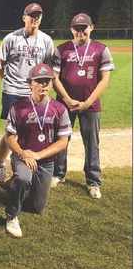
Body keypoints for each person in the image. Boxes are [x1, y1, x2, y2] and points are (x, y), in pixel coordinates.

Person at [4, 64, 72, 238]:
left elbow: (63, 141)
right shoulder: (18, 107)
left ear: (51, 84)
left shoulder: (59, 108)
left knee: (37, 208)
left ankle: (17, 187)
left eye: (46, 81)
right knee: (23, 178)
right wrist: (23, 154)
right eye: (38, 81)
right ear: (30, 83)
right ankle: (12, 215)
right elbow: (9, 137)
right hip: (22, 157)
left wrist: (38, 155)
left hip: (45, 160)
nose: (43, 85)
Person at [51, 13, 114, 199]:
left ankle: (93, 181)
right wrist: (67, 99)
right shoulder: (61, 49)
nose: (80, 32)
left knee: (92, 143)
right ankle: (58, 174)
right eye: (76, 29)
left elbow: (104, 81)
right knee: (61, 139)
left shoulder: (101, 49)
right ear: (71, 30)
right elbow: (54, 78)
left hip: (90, 105)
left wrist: (87, 102)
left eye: (83, 28)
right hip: (64, 104)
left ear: (91, 27)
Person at [0, 3, 54, 183]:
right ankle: (1, 164)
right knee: (10, 131)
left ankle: (23, 164)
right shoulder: (11, 38)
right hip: (12, 90)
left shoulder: (46, 40)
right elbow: (0, 64)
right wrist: (8, 81)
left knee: (31, 129)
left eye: (38, 16)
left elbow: (47, 67)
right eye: (31, 15)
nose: (34, 18)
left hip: (34, 92)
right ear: (24, 17)